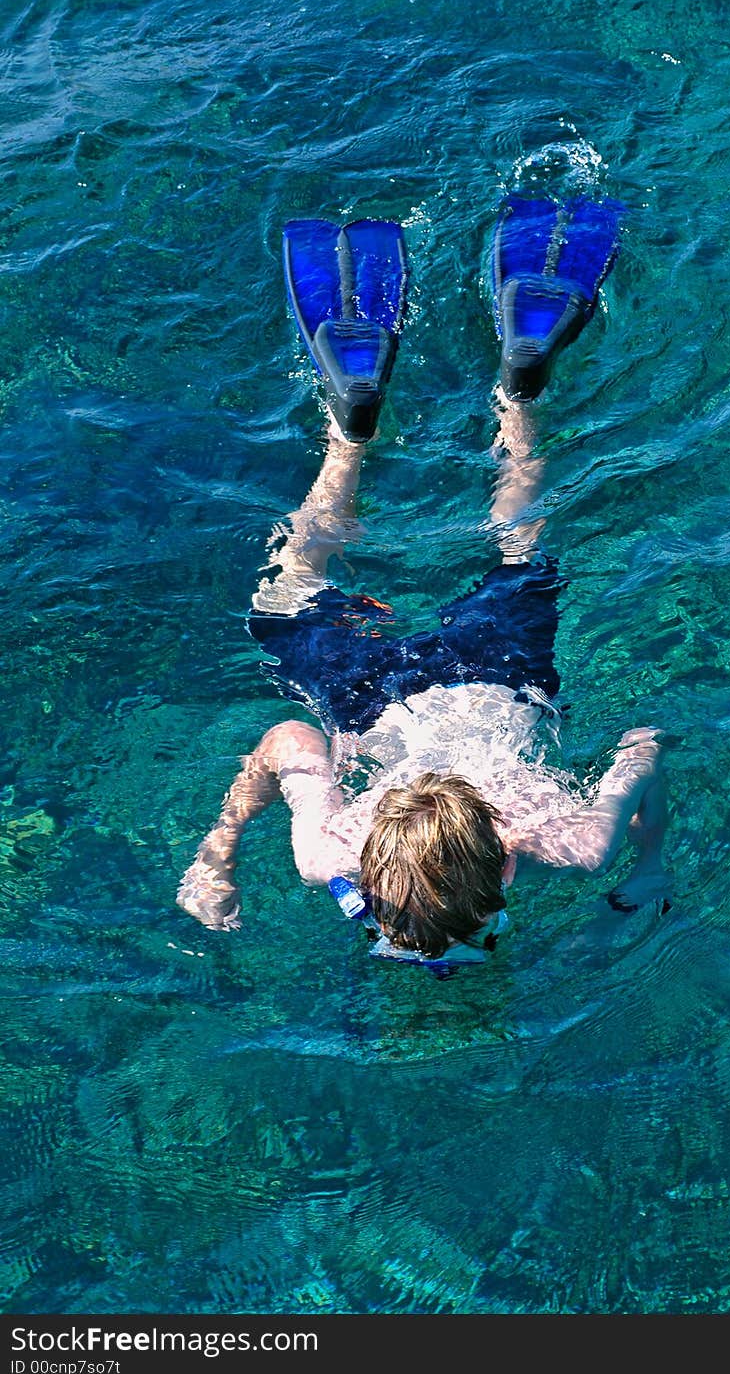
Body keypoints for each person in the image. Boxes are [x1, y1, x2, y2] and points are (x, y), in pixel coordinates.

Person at [176, 391, 672, 961]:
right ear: (507, 865)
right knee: (288, 589)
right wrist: (219, 849)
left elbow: (645, 744)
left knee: (520, 551)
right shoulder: (329, 855)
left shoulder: (580, 843)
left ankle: (491, 410)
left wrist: (220, 850)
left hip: (493, 679)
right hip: (380, 700)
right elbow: (646, 745)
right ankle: (358, 439)